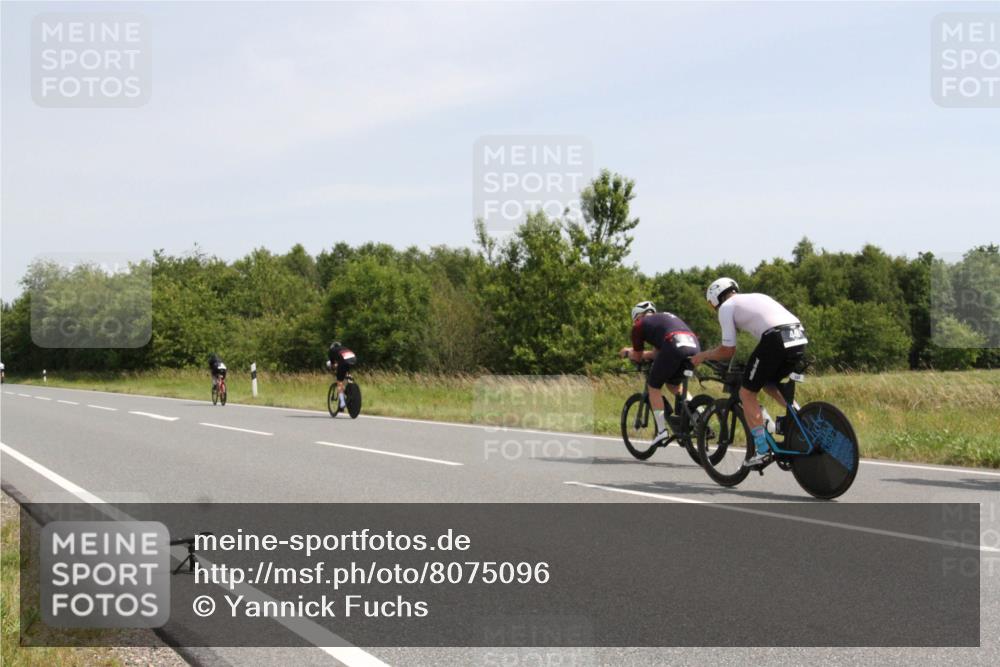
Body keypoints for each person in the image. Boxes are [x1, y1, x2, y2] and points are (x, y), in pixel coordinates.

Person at [690, 278, 808, 467]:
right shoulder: (755, 297)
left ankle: (762, 450)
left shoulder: (726, 307)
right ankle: (803, 420)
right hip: (798, 336)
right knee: (769, 383)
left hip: (775, 338)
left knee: (746, 393)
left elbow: (728, 350)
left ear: (715, 299)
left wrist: (704, 356)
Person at [619, 301, 701, 446]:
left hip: (673, 344)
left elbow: (637, 356)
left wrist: (627, 353)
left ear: (637, 317)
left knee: (653, 386)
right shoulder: (662, 320)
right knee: (673, 384)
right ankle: (699, 414)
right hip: (693, 346)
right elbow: (656, 353)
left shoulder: (639, 326)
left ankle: (661, 431)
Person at [326, 341, 357, 410]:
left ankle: (342, 403)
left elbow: (333, 364)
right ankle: (351, 384)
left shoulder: (331, 351)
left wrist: (333, 369)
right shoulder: (343, 348)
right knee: (346, 372)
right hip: (353, 358)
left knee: (339, 382)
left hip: (343, 361)